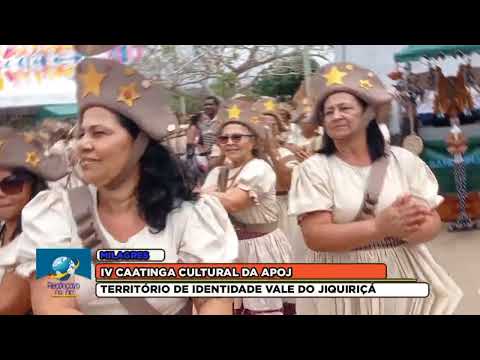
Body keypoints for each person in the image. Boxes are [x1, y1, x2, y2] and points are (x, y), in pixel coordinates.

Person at [15, 45, 238, 315]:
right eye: (81, 134)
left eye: (99, 133)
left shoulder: (187, 215)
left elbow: (213, 300)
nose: (82, 144)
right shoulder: (61, 216)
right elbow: (56, 302)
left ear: (139, 145)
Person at [288, 62, 463, 315]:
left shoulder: (403, 161)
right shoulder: (314, 169)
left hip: (402, 275)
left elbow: (433, 222)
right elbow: (315, 236)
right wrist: (379, 227)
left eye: (345, 108)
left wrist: (412, 225)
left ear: (368, 113)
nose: (336, 115)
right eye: (329, 112)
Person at [202, 100, 293, 315]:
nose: (230, 142)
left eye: (237, 137)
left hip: (260, 249)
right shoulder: (219, 172)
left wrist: (202, 194)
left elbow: (233, 202)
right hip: (231, 249)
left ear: (253, 142)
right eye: (224, 138)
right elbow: (203, 208)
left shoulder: (259, 168)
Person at [0, 127, 68, 314]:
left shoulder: (50, 233)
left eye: (12, 184)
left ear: (33, 183)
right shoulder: (3, 228)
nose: (0, 194)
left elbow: (7, 305)